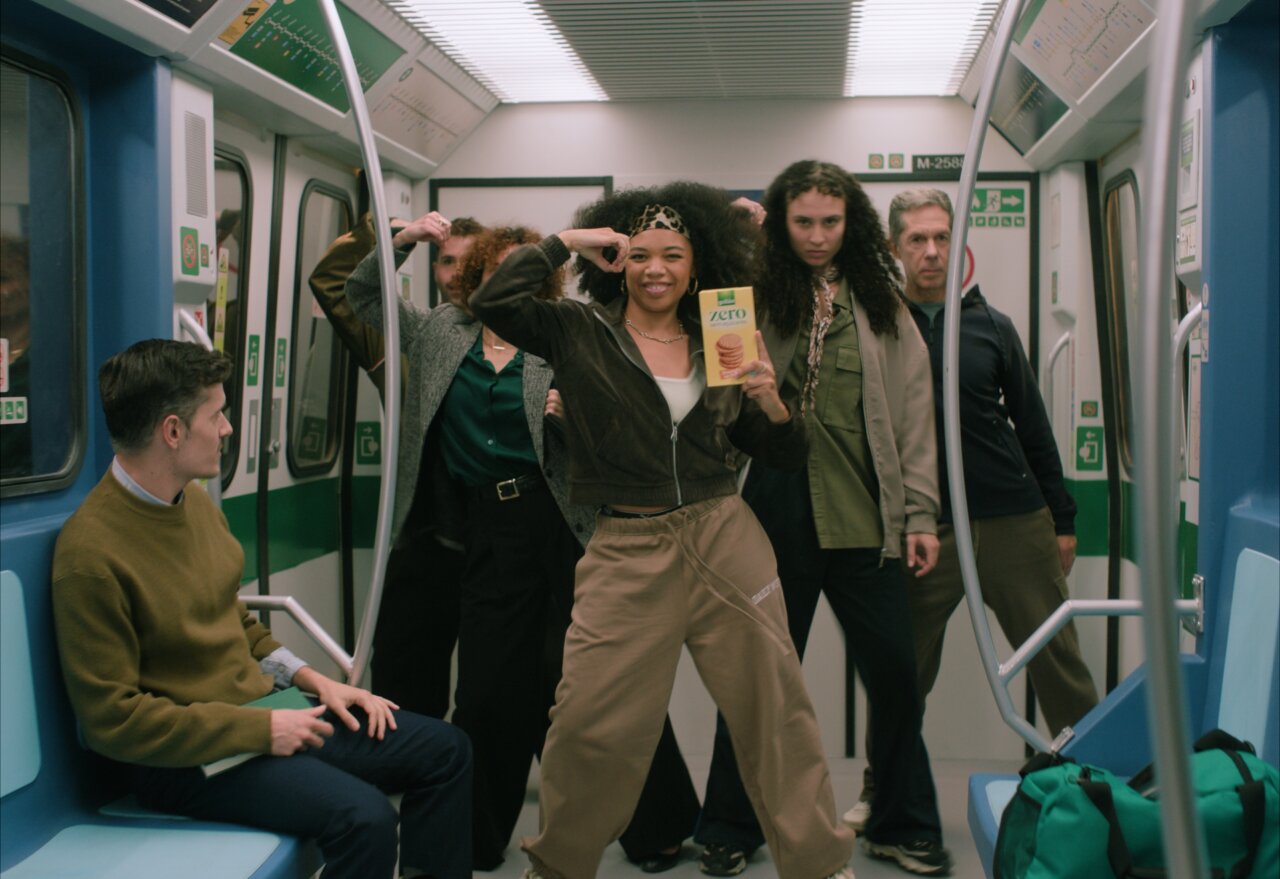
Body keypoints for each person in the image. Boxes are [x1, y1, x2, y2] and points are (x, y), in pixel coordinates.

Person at [470, 182, 856, 879]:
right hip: (626, 547)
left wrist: (771, 401)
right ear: (617, 259)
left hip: (723, 534)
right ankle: (557, 865)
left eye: (672, 255)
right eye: (639, 253)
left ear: (695, 263)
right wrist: (569, 241)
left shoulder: (724, 337)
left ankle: (820, 864)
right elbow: (493, 303)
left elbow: (784, 453)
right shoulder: (578, 329)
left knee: (777, 712)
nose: (655, 268)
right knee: (588, 723)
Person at [345, 219, 700, 872]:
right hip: (487, 530)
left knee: (602, 686)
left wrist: (579, 420)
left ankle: (660, 825)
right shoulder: (437, 334)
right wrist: (399, 242)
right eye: (494, 272)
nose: (509, 284)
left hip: (567, 527)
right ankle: (475, 837)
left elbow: (632, 427)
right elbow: (360, 293)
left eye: (526, 272)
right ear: (477, 282)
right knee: (484, 692)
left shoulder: (564, 333)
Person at [51, 339, 472, 879]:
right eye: (217, 415)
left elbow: (237, 623)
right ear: (173, 431)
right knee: (365, 819)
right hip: (185, 759)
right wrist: (261, 732)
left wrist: (316, 680)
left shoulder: (195, 503)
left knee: (447, 750)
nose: (227, 429)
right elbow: (114, 721)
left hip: (263, 712)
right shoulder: (90, 556)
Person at [694, 161, 953, 877]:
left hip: (866, 515)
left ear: (852, 224)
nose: (816, 236)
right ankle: (728, 824)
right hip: (773, 509)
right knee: (757, 678)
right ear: (780, 220)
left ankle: (902, 820)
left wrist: (922, 514)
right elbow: (721, 408)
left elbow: (914, 417)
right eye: (801, 221)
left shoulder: (881, 303)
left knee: (898, 673)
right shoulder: (747, 297)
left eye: (830, 222)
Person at [849, 189, 1097, 808]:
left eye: (943, 238)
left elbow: (1033, 427)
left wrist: (1061, 519)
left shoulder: (991, 327)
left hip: (1013, 517)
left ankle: (1100, 779)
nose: (932, 252)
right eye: (917, 240)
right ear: (894, 247)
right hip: (925, 526)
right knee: (902, 671)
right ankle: (883, 793)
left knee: (1055, 659)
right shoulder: (878, 326)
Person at [308, 213, 484, 719]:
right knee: (406, 675)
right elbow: (337, 287)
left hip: (493, 539)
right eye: (447, 262)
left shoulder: (527, 343)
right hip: (425, 535)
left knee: (495, 683)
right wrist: (392, 234)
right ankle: (409, 768)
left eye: (471, 264)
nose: (457, 276)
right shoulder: (406, 339)